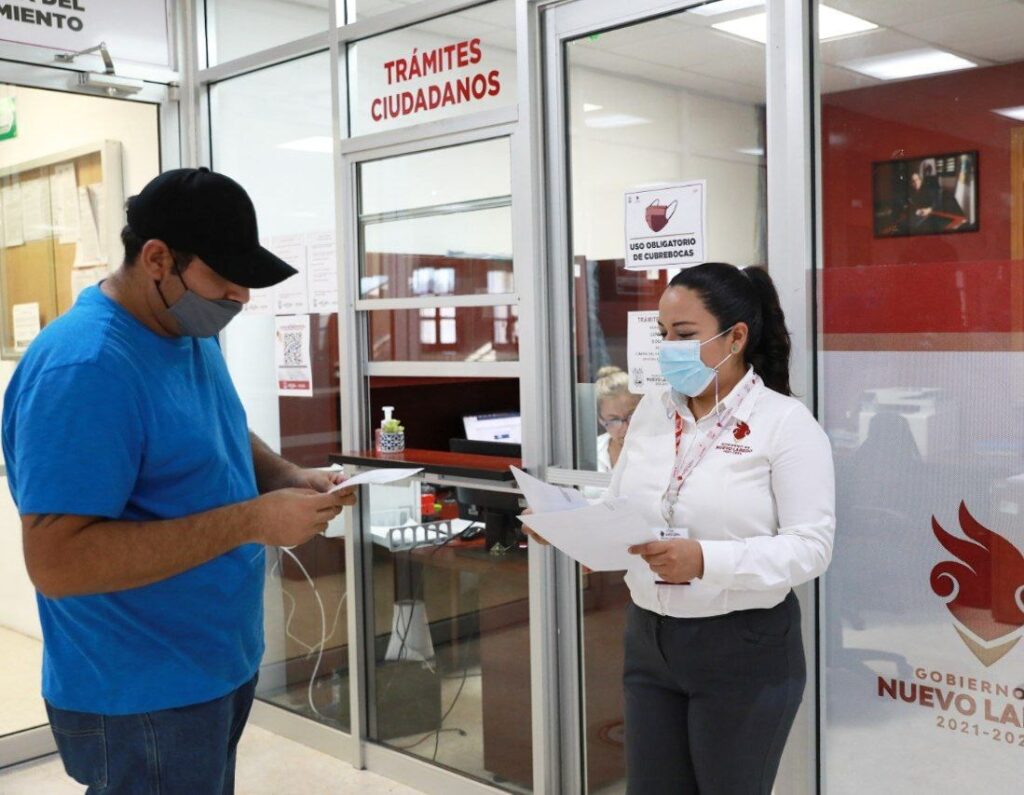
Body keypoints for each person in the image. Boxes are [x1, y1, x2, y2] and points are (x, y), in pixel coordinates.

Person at [2, 167, 357, 794]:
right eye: (223, 280)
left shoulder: (185, 333)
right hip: (140, 690)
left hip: (214, 660)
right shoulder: (85, 368)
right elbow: (58, 562)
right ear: (158, 258)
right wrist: (252, 520)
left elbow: (219, 433)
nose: (240, 299)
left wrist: (286, 475)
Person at [527, 262, 835, 794]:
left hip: (742, 644)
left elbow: (812, 549)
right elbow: (621, 504)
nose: (669, 347)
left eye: (685, 335)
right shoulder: (652, 413)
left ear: (736, 336)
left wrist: (705, 560)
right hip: (650, 638)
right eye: (663, 334)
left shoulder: (785, 424)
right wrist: (568, 523)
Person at [595, 365, 642, 472]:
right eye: (614, 420)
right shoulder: (591, 453)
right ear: (601, 419)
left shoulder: (660, 451)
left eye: (632, 415)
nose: (626, 428)